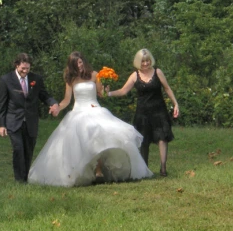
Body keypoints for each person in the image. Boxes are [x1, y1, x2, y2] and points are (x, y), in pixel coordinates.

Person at [28, 51, 153, 187]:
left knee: (101, 132)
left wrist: (106, 87)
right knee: (85, 133)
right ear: (72, 66)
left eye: (80, 63)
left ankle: (99, 170)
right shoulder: (71, 79)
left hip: (95, 108)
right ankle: (86, 170)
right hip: (79, 111)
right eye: (76, 64)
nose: (79, 66)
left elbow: (102, 94)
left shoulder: (94, 75)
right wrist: (58, 107)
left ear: (83, 62)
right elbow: (67, 99)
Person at [107, 49, 180, 177]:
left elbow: (167, 88)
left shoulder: (158, 72)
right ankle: (144, 169)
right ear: (138, 62)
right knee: (143, 141)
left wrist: (175, 104)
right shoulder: (135, 76)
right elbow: (124, 91)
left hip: (159, 111)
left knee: (162, 138)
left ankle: (163, 167)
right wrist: (108, 93)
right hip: (142, 113)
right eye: (143, 61)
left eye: (147, 61)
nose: (146, 64)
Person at [0, 53, 59, 182]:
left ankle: (25, 178)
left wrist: (53, 103)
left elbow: (44, 95)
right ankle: (19, 180)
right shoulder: (6, 80)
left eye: (27, 69)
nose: (25, 71)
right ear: (17, 65)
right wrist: (2, 124)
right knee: (18, 148)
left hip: (31, 121)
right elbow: (2, 104)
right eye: (22, 68)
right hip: (14, 121)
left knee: (28, 151)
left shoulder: (36, 79)